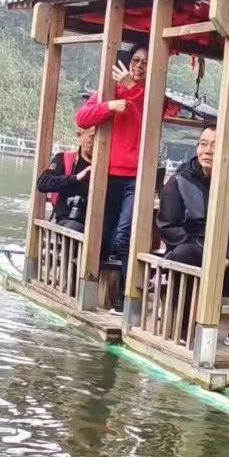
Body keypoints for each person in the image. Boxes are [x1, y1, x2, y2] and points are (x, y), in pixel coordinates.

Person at [157, 125, 229, 351]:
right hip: (193, 252)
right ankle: (184, 328)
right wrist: (206, 253)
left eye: (215, 145)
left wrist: (228, 257)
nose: (207, 150)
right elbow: (168, 226)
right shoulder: (179, 181)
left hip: (227, 262)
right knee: (185, 253)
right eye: (203, 144)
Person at [76, 46, 147, 305]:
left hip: (135, 178)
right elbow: (82, 118)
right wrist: (109, 106)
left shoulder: (151, 95)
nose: (139, 66)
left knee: (125, 236)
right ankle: (87, 292)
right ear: (127, 63)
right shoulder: (110, 91)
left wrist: (131, 88)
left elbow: (149, 118)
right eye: (136, 60)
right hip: (107, 175)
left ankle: (126, 299)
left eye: (146, 62)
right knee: (102, 233)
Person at [36, 126, 95, 231]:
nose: (96, 142)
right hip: (68, 221)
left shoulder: (108, 166)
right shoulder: (64, 159)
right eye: (92, 137)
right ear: (79, 135)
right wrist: (77, 177)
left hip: (97, 223)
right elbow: (43, 183)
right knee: (75, 228)